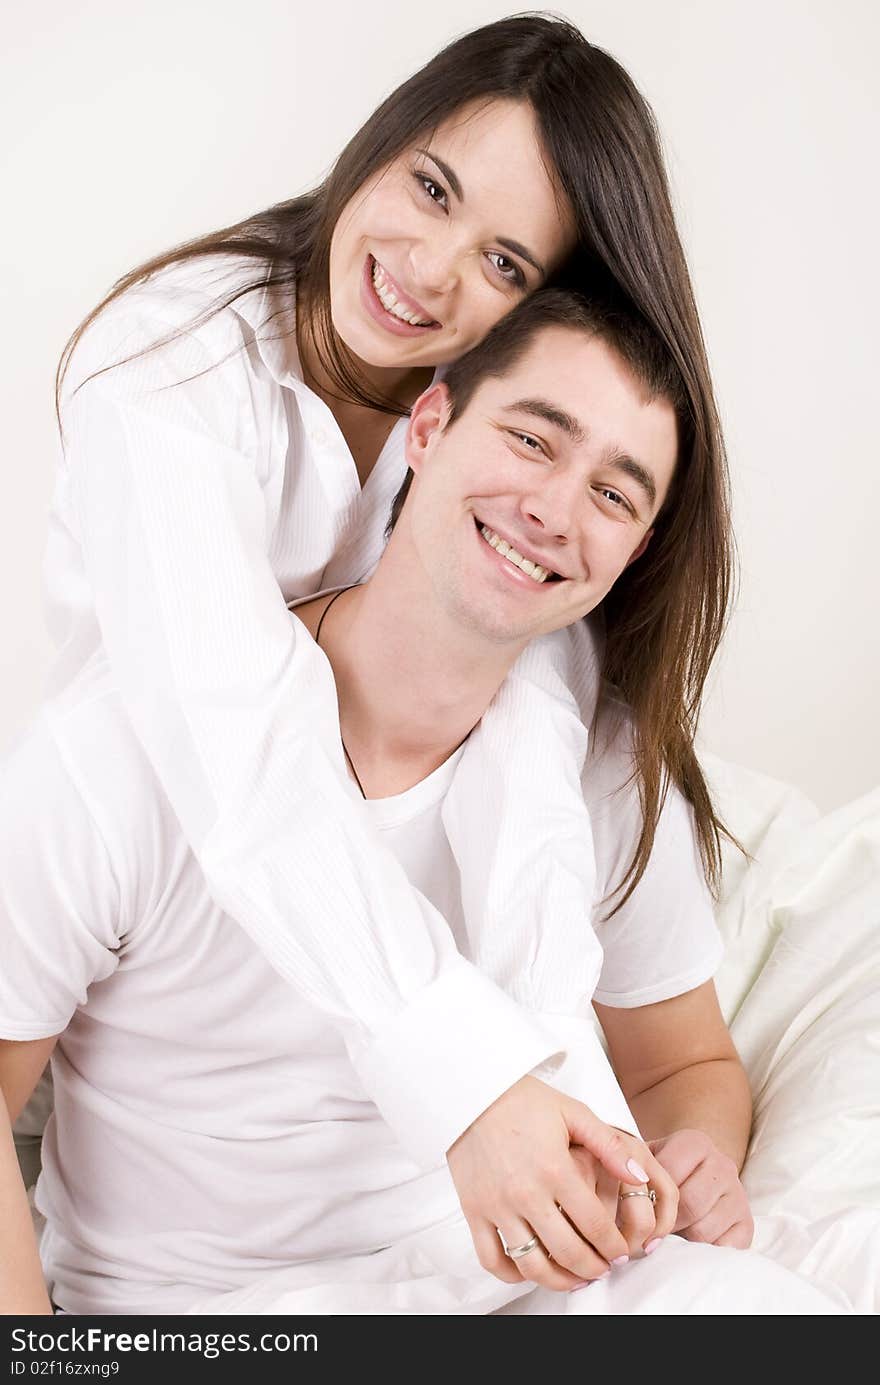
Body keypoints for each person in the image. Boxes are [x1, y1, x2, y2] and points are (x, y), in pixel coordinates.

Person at [39, 14, 734, 1286]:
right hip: (111, 959)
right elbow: (238, 741)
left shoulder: (489, 450)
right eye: (429, 186)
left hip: (345, 1098)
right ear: (383, 139)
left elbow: (532, 690)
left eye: (507, 262)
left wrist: (590, 1104)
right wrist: (471, 1084)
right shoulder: (168, 370)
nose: (429, 269)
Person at [0, 291, 845, 1316]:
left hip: (511, 1279)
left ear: (635, 550)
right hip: (211, 1317)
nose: (553, 509)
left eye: (613, 497)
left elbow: (682, 1058)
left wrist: (700, 1155)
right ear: (430, 424)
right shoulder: (123, 746)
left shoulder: (600, 759)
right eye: (532, 438)